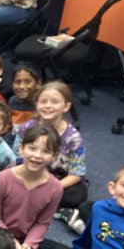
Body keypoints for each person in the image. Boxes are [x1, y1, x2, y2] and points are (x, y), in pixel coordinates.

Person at [0, 123, 78, 249]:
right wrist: (11, 242)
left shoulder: (55, 188)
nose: (37, 156)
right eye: (32, 148)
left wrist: (28, 246)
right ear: (21, 149)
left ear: (54, 156)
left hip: (25, 237)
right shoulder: (3, 178)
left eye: (45, 151)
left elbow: (42, 222)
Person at [13, 81, 87, 210]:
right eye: (43, 101)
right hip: (29, 172)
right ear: (36, 104)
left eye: (54, 102)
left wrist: (51, 186)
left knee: (76, 196)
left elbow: (77, 173)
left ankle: (40, 201)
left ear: (66, 106)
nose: (48, 106)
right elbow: (17, 158)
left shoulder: (73, 138)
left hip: (57, 178)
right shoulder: (26, 128)